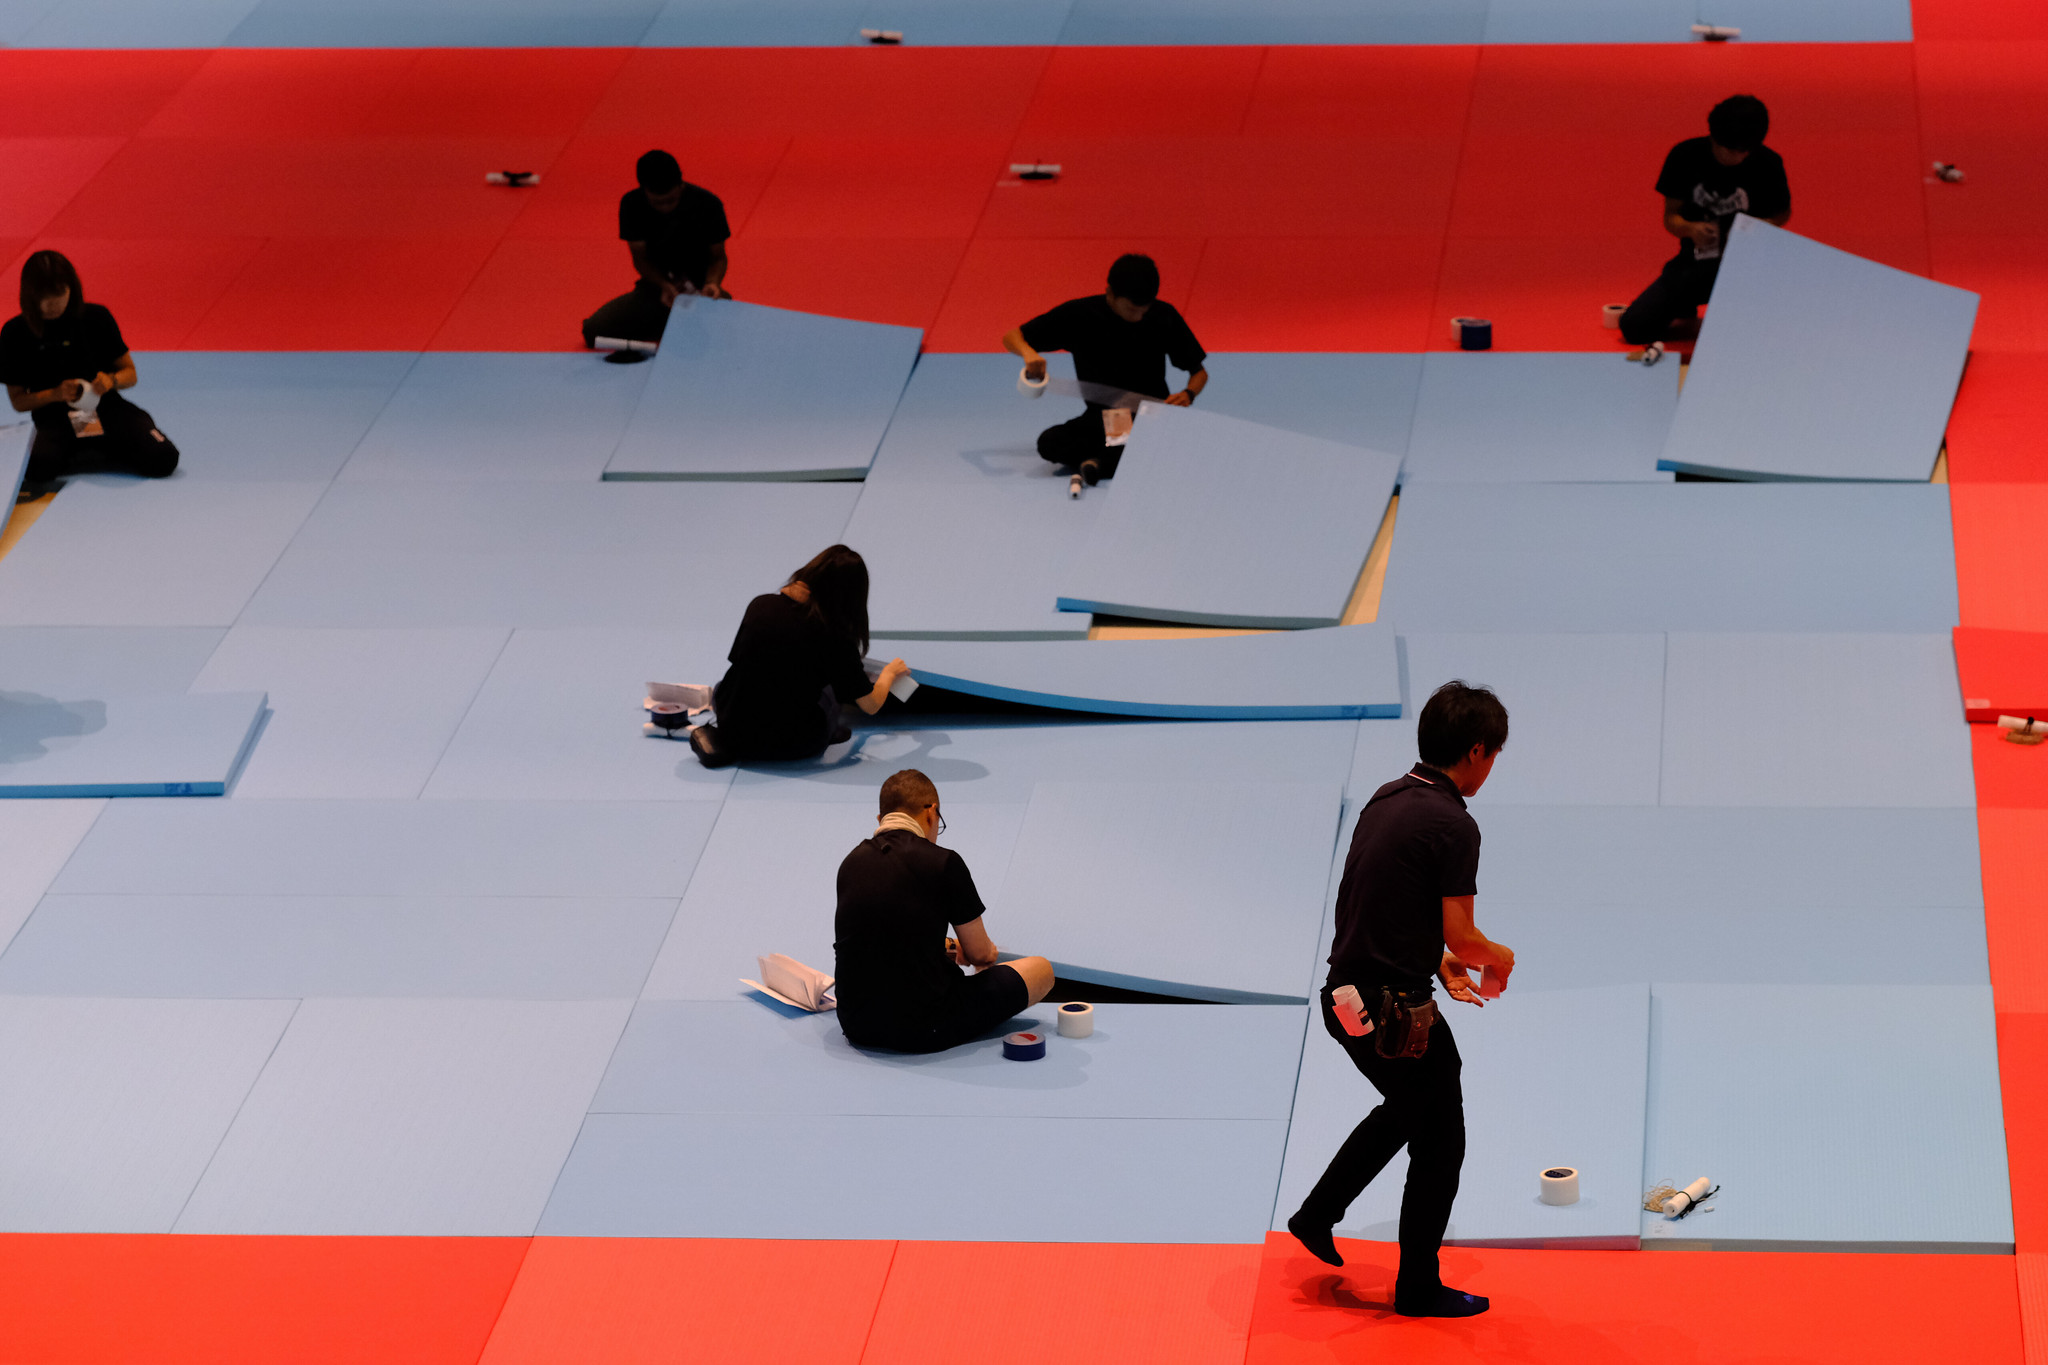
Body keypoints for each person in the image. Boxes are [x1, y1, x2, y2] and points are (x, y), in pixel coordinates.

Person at [1286, 681, 1516, 1319]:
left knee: (1416, 1107)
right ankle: (1416, 1286)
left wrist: (1437, 964)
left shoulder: (1384, 800)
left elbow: (1380, 910)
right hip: (1393, 1011)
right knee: (1442, 1136)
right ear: (1476, 751)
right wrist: (1497, 957)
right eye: (1493, 755)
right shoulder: (1454, 824)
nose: (1491, 769)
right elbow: (1466, 937)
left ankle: (1317, 1213)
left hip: (1345, 996)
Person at [834, 768, 1056, 1053]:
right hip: (925, 1026)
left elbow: (881, 935)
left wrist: (949, 947)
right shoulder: (944, 862)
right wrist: (982, 953)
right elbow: (980, 954)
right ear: (932, 813)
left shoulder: (850, 864)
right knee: (1041, 969)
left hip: (856, 1024)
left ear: (881, 820)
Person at [1002, 253, 1208, 486]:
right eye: (1131, 310)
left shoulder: (1163, 315)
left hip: (1149, 418)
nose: (1139, 316)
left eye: (1144, 310)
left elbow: (1199, 373)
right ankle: (1110, 459)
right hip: (1101, 419)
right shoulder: (1079, 315)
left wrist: (1188, 394)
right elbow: (1012, 337)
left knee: (1130, 440)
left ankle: (1101, 461)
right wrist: (1029, 353)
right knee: (1049, 443)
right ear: (1110, 293)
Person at [696, 545, 909, 767]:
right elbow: (871, 705)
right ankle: (827, 731)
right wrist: (889, 673)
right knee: (832, 695)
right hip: (793, 743)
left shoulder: (760, 605)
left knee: (726, 684)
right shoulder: (835, 635)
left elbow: (741, 662)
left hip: (734, 732)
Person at [1618, 95, 1791, 347]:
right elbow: (1670, 218)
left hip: (1748, 269)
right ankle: (1685, 307)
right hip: (1695, 264)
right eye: (1732, 150)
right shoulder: (1684, 156)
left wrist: (1759, 226)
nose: (1740, 156)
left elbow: (1782, 213)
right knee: (1634, 328)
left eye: (1746, 151)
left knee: (1763, 339)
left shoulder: (1768, 163)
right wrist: (1690, 229)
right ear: (1714, 138)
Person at [1, 251, 178, 495]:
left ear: (71, 289)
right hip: (56, 419)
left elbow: (130, 373)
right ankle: (93, 447)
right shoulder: (15, 333)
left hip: (106, 409)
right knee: (37, 469)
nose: (52, 305)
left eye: (59, 295)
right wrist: (55, 394)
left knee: (163, 459)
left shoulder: (96, 318)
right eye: (44, 298)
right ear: (30, 297)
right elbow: (19, 401)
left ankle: (92, 446)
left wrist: (111, 380)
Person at [580, 149, 732, 350]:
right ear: (644, 190)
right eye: (657, 202)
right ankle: (671, 323)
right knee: (593, 331)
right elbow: (640, 259)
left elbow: (718, 258)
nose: (664, 207)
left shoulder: (708, 204)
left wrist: (713, 283)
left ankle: (683, 321)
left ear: (681, 185)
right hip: (656, 289)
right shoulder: (631, 204)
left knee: (723, 335)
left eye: (671, 200)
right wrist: (663, 285)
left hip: (700, 292)